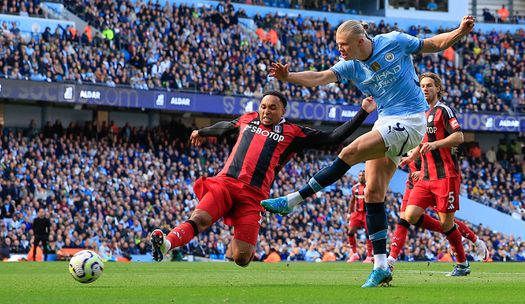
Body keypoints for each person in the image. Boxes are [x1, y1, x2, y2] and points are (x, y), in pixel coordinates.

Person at [261, 16, 476, 287]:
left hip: (411, 119)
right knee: (373, 193)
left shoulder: (394, 42)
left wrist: (460, 31)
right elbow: (320, 77)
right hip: (385, 121)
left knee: (350, 151)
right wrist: (288, 77)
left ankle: (294, 200)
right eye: (338, 45)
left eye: (344, 45)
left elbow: (432, 43)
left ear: (360, 41)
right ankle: (381, 266)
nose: (340, 50)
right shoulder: (350, 65)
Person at [151, 91, 377, 267]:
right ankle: (167, 244)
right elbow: (225, 127)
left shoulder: (293, 132)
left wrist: (363, 113)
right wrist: (203, 132)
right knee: (200, 218)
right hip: (225, 184)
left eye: (272, 108)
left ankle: (241, 241)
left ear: (282, 111)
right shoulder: (247, 119)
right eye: (263, 107)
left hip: (253, 196)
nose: (266, 111)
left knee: (241, 257)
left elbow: (332, 137)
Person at [388, 73, 489, 272]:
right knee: (410, 215)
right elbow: (423, 142)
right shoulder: (421, 113)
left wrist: (436, 144)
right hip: (425, 177)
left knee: (446, 223)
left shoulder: (444, 110)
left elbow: (459, 136)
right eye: (422, 86)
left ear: (438, 89)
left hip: (446, 177)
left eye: (429, 86)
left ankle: (462, 263)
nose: (425, 89)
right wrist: (412, 156)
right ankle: (455, 236)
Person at [346, 171, 373, 263]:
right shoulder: (354, 188)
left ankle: (369, 256)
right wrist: (349, 214)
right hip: (357, 214)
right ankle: (354, 254)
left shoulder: (370, 186)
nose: (361, 177)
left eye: (363, 175)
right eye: (360, 175)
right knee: (350, 232)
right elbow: (352, 201)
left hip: (367, 213)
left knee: (368, 234)